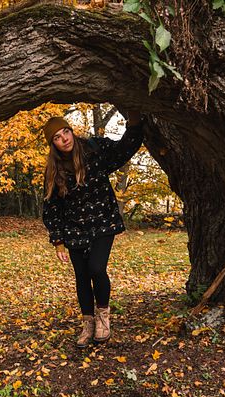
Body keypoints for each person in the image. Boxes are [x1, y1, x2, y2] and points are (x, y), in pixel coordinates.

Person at [41, 110, 144, 348]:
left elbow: (124, 150)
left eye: (66, 131)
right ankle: (88, 323)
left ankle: (103, 317)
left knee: (97, 268)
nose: (64, 138)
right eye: (57, 137)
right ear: (53, 144)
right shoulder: (54, 170)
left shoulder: (94, 150)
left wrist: (135, 123)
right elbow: (51, 207)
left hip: (102, 222)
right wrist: (58, 240)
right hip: (74, 228)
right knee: (81, 276)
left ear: (71, 132)